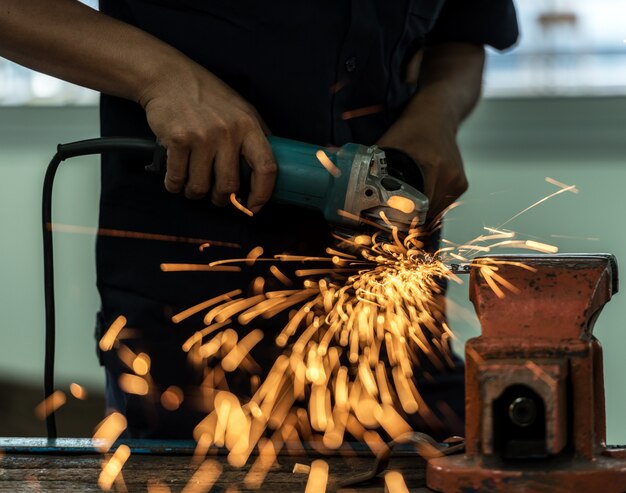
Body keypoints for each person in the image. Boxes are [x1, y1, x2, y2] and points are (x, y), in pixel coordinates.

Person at [1, 0, 518, 439]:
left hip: (389, 283)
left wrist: (437, 114)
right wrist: (163, 78)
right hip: (198, 296)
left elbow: (464, 36)